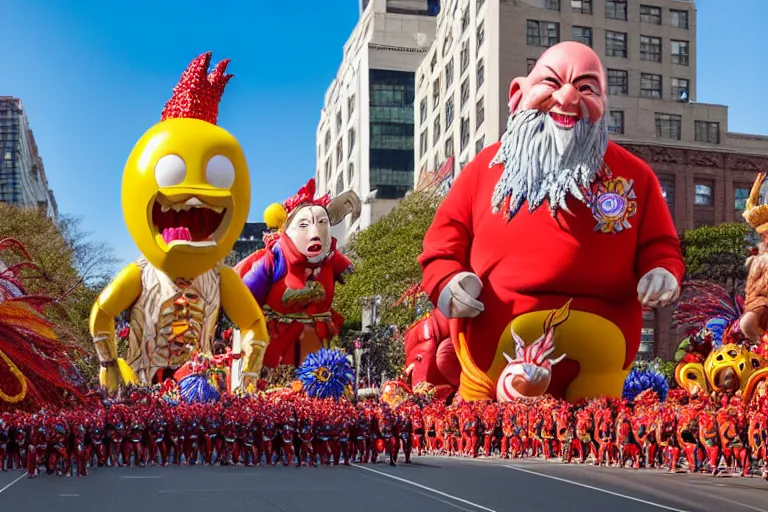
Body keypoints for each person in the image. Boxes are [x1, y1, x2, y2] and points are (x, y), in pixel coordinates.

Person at [418, 41, 684, 403]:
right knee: (481, 433)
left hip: (603, 338)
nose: (568, 97)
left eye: (586, 88)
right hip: (495, 340)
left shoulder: (635, 174)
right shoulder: (484, 168)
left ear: (604, 106)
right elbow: (442, 245)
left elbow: (661, 245)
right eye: (552, 82)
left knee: (595, 432)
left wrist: (662, 272)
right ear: (517, 93)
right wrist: (448, 283)